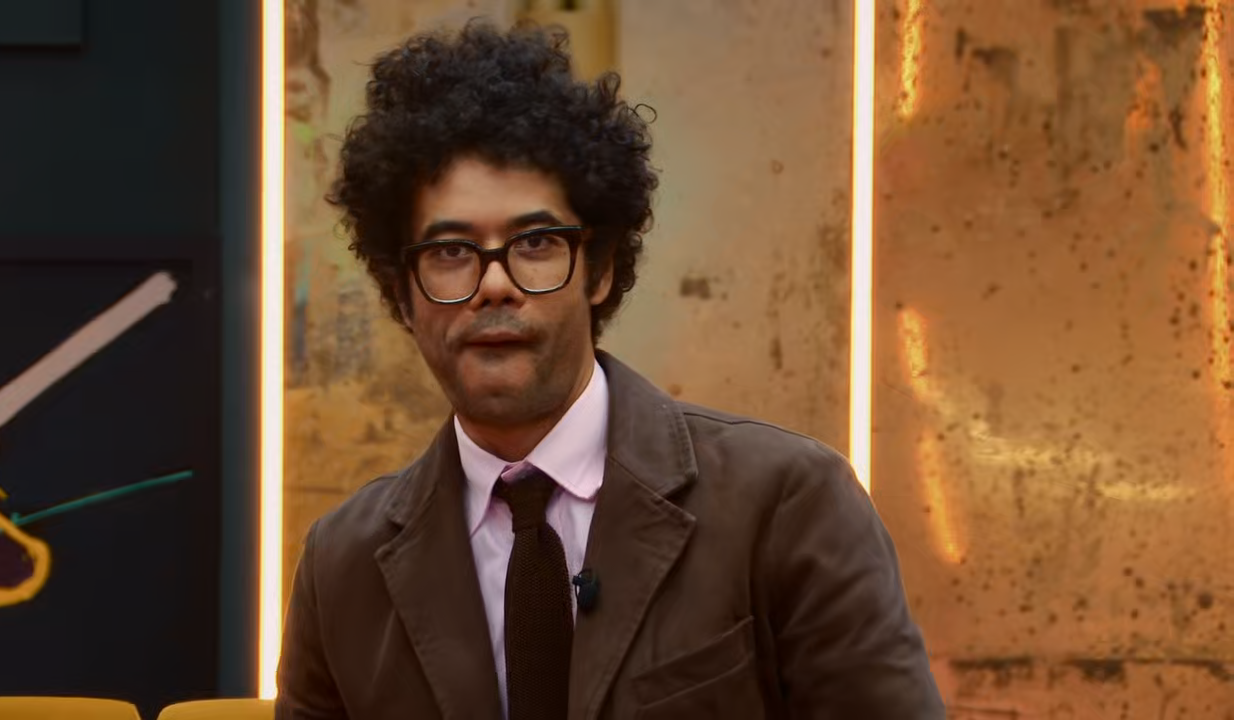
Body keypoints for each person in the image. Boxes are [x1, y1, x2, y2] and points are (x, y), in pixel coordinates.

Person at [276, 20, 945, 720]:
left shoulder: (785, 503)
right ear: (402, 295)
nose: (494, 285)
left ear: (598, 270)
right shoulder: (341, 566)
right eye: (450, 252)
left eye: (535, 243)